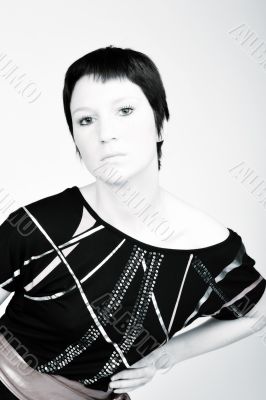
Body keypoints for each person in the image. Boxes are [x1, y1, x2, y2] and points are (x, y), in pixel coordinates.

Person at [0, 45, 265, 400]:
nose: (105, 134)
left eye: (124, 110)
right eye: (86, 119)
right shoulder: (39, 225)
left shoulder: (211, 248)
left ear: (159, 123)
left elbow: (257, 313)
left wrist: (166, 356)